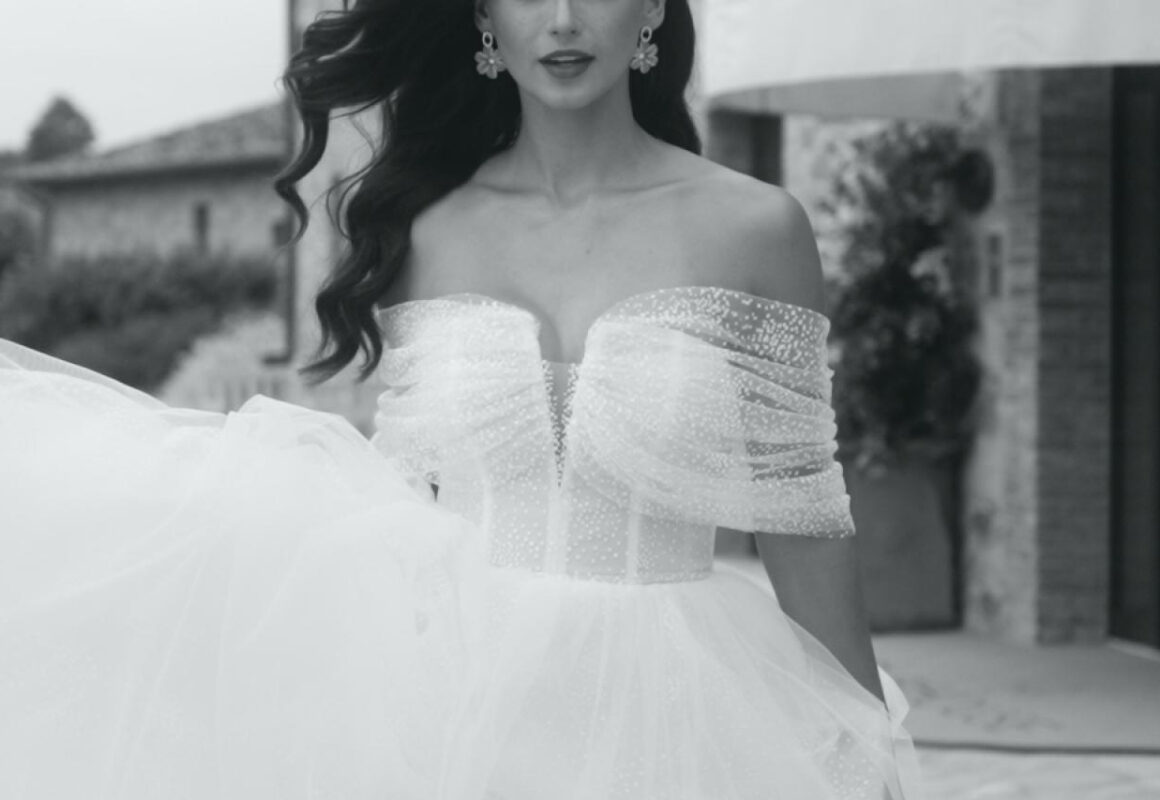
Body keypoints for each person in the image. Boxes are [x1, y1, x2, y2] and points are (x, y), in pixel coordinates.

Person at [0, 0, 924, 797]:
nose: (562, 19)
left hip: (679, 709)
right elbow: (408, 497)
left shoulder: (754, 229)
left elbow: (803, 513)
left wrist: (866, 744)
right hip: (450, 698)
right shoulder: (421, 231)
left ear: (652, 8)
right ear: (483, 15)